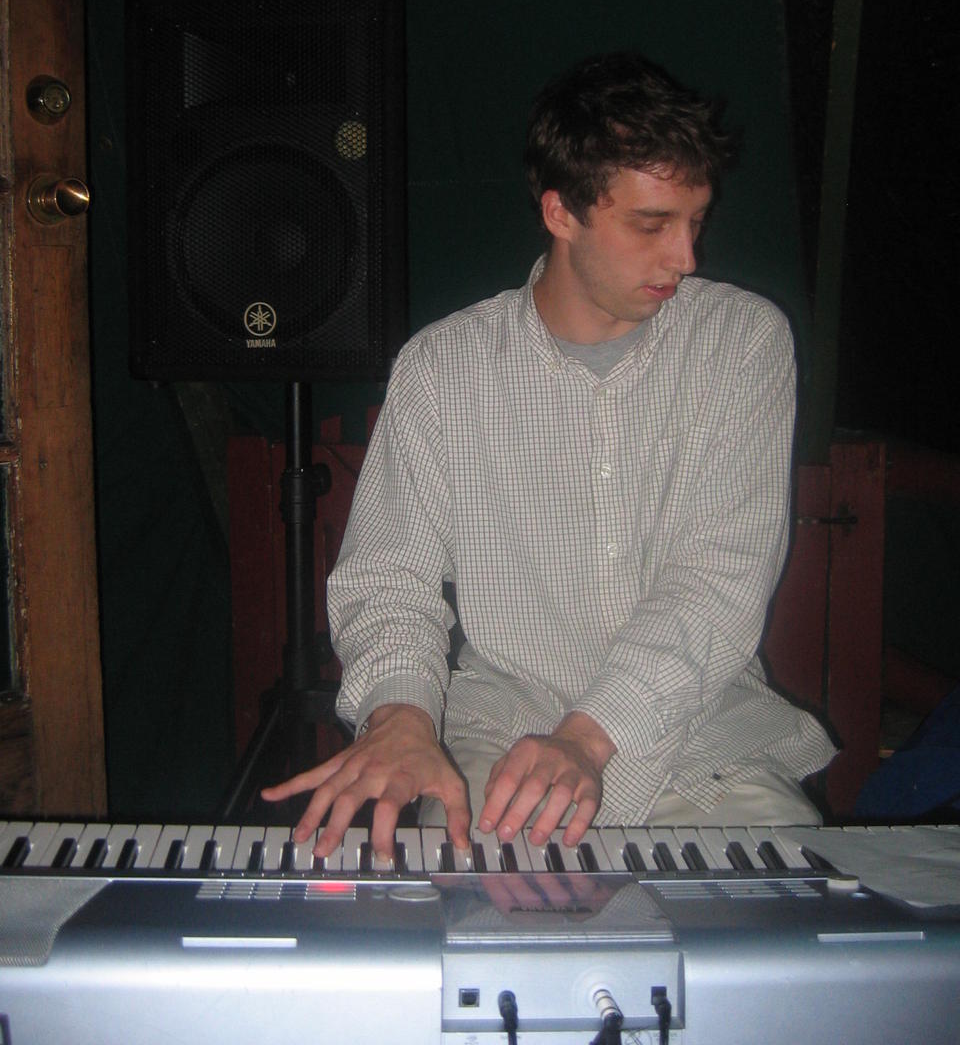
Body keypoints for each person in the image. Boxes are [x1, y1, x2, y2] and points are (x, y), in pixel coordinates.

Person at [263, 50, 836, 863]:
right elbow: (388, 578)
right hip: (503, 731)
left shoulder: (742, 341)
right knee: (477, 904)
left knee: (782, 909)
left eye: (696, 221)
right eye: (651, 225)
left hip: (701, 736)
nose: (686, 258)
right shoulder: (445, 367)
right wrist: (401, 716)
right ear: (560, 212)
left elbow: (719, 578)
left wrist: (589, 737)